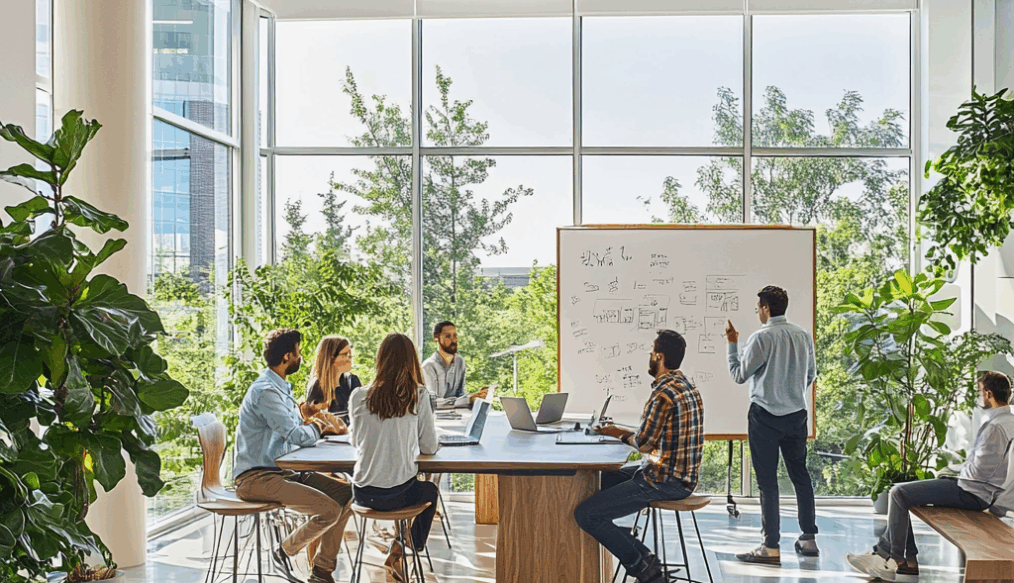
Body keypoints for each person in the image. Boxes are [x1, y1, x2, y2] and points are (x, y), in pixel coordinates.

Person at [847, 371, 1014, 583]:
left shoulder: (996, 426)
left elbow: (982, 473)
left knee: (898, 492)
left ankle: (888, 560)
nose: (978, 396)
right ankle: (907, 560)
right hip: (978, 489)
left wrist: (954, 475)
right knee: (904, 493)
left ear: (989, 394)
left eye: (980, 391)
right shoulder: (1006, 422)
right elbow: (989, 467)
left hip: (973, 492)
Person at [574, 330, 705, 583]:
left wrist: (614, 432)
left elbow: (644, 443)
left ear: (659, 356)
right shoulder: (687, 386)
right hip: (677, 475)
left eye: (651, 352)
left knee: (587, 514)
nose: (650, 357)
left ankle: (645, 568)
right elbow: (654, 437)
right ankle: (642, 556)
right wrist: (620, 431)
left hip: (664, 481)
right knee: (594, 481)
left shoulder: (663, 394)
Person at [233, 329, 352, 583]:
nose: (301, 357)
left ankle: (321, 570)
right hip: (257, 478)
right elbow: (296, 435)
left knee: (348, 494)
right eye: (298, 352)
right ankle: (283, 552)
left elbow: (293, 428)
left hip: (283, 471)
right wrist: (319, 426)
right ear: (287, 356)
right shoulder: (266, 392)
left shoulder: (280, 388)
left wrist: (309, 417)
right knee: (329, 510)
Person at [725, 285, 818, 564]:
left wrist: (732, 344)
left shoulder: (761, 337)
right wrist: (790, 393)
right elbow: (811, 374)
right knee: (800, 475)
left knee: (768, 483)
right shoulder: (803, 335)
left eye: (758, 308)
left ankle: (771, 547)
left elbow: (739, 375)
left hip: (764, 416)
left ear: (766, 308)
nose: (758, 312)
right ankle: (809, 539)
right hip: (797, 415)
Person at [349, 333, 441, 582]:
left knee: (412, 486)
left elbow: (356, 442)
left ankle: (399, 547)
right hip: (401, 495)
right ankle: (402, 547)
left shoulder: (358, 395)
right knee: (430, 491)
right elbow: (429, 447)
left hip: (362, 493)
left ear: (380, 360)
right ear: (412, 362)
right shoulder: (418, 395)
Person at [421, 320, 487, 407]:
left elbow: (461, 394)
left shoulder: (460, 361)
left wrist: (477, 397)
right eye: (448, 336)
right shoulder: (429, 366)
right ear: (436, 338)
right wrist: (468, 400)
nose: (453, 340)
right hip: (437, 415)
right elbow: (433, 402)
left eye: (455, 335)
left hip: (458, 413)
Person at [305, 335, 361, 425]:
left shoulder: (353, 381)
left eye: (350, 353)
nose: (350, 356)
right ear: (331, 358)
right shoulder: (317, 388)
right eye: (345, 354)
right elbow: (313, 423)